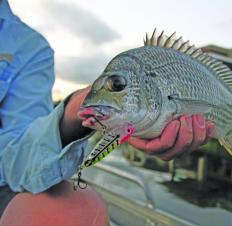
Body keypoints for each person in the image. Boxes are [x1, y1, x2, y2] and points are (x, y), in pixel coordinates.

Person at [0, 0, 214, 225]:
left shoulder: (30, 47)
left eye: (117, 85)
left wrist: (74, 113)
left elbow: (13, 158)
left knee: (79, 206)